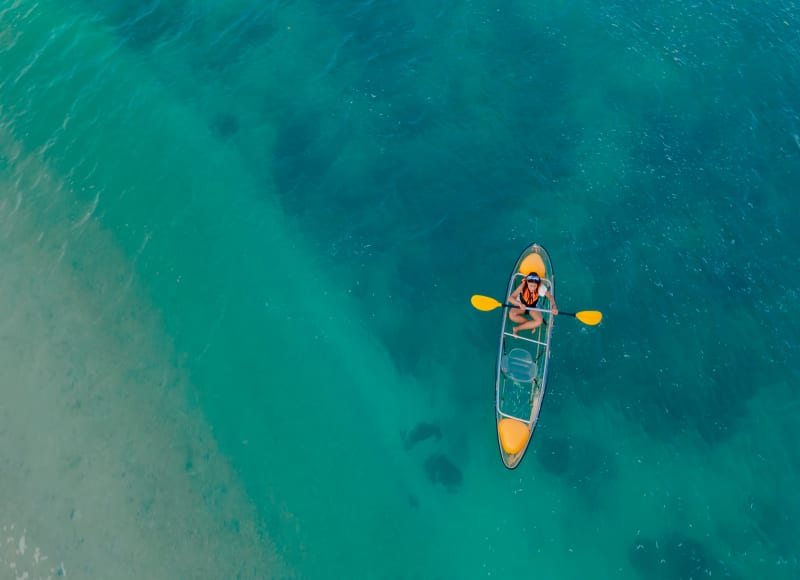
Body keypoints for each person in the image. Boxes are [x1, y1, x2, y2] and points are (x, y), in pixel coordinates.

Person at [509, 272, 558, 337]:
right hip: (521, 304)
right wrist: (519, 304)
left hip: (533, 306)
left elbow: (550, 296)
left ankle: (517, 328)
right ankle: (531, 325)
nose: (532, 288)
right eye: (531, 286)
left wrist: (554, 306)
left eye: (534, 286)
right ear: (527, 283)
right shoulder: (523, 285)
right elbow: (511, 298)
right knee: (511, 315)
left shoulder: (540, 287)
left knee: (539, 322)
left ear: (537, 284)